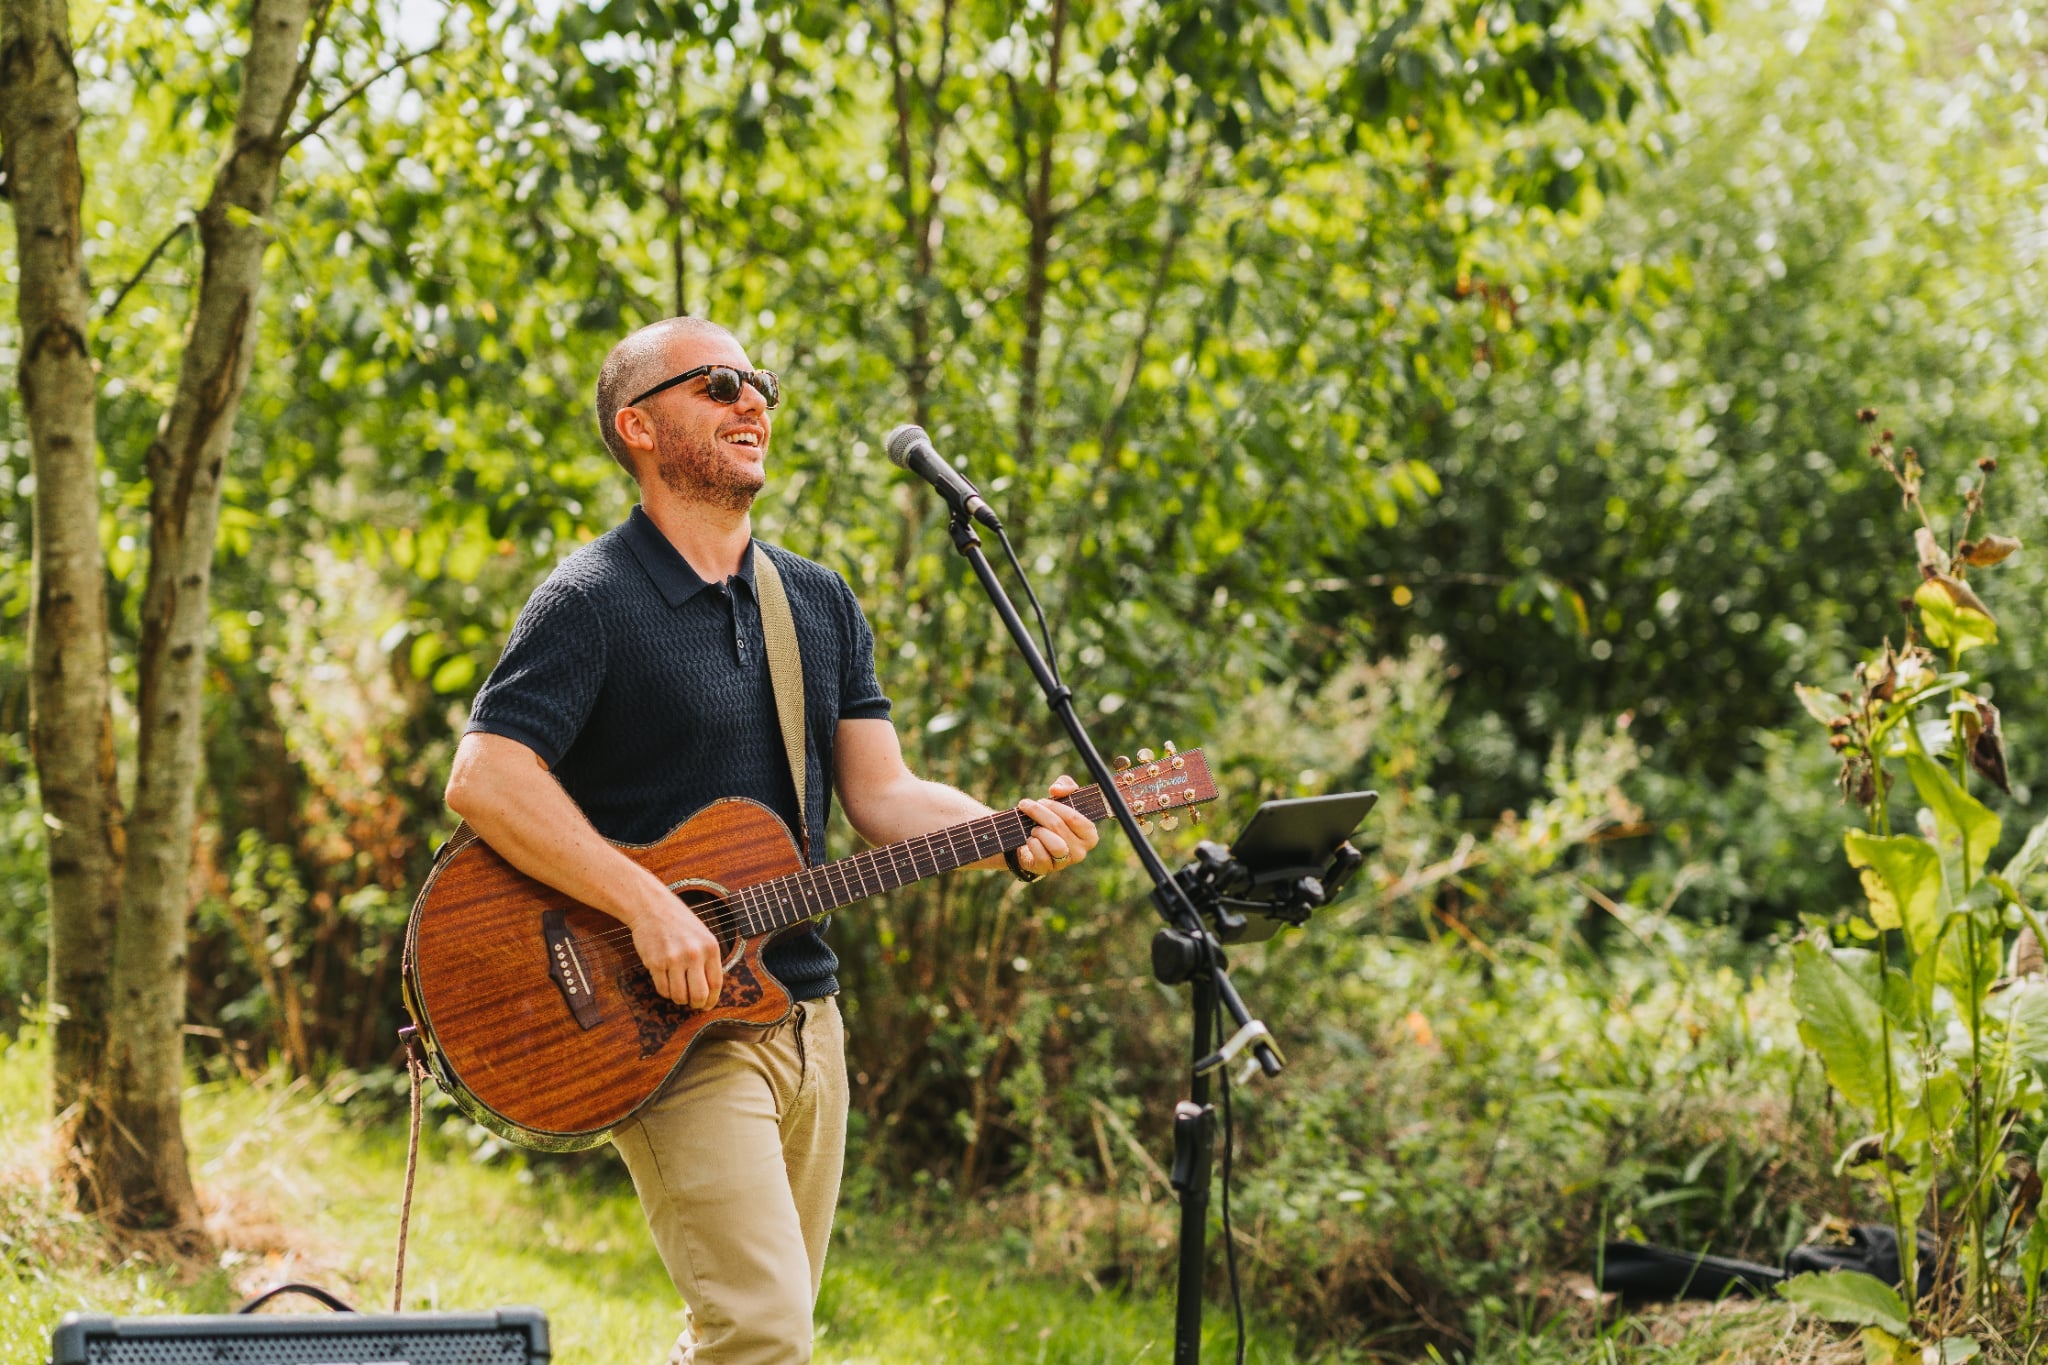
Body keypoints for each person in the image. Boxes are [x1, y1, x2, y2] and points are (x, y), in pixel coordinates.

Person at [442, 316, 1098, 1363]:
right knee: (763, 1332)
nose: (753, 401)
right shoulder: (589, 601)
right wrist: (648, 903)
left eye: (759, 383)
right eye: (717, 385)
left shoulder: (816, 601)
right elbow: (484, 777)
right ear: (639, 427)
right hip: (662, 1024)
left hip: (803, 1014)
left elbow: (880, 796)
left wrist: (1005, 829)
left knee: (742, 1339)